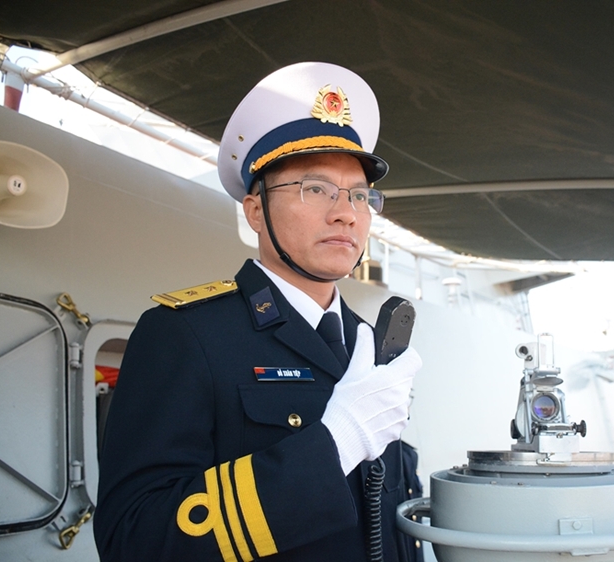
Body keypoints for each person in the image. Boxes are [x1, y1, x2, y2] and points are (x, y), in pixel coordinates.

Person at [94, 62, 423, 562]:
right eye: (315, 189)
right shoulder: (186, 334)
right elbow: (133, 537)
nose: (346, 213)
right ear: (255, 211)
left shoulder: (366, 342)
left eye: (359, 195)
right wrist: (335, 444)